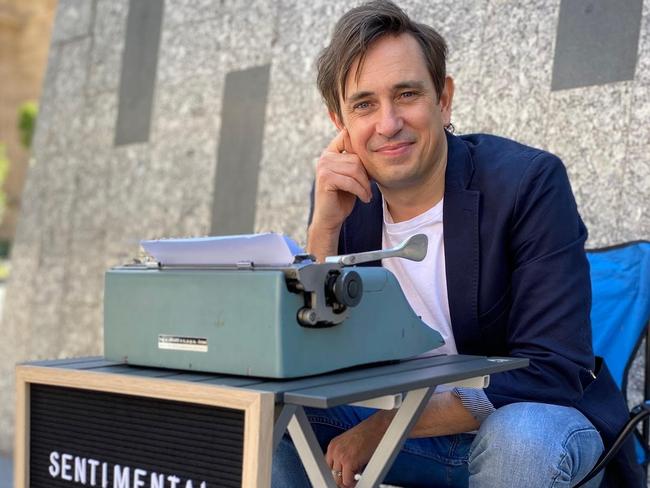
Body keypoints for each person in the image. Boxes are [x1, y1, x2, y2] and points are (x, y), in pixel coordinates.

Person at [273, 1, 642, 486]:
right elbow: (302, 367)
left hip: (529, 430)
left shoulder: (528, 184)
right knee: (270, 423)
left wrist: (381, 429)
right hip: (411, 443)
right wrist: (322, 235)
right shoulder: (344, 199)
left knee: (520, 438)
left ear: (443, 99)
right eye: (364, 104)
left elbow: (552, 370)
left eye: (406, 94)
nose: (387, 123)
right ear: (339, 122)